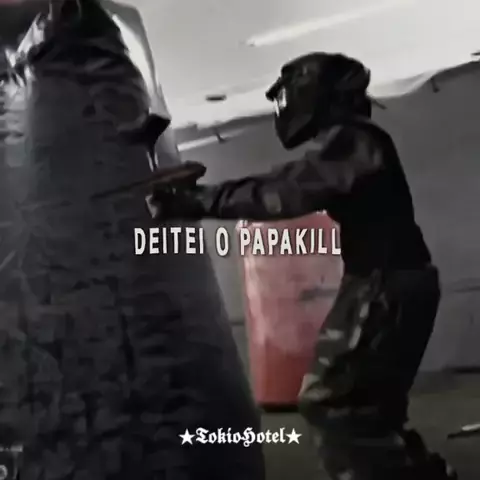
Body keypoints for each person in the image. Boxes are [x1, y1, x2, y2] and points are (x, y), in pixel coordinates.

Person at [146, 52, 457, 480]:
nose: (284, 107)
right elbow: (291, 183)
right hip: (383, 281)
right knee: (365, 407)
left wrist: (199, 200)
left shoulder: (355, 140)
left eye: (288, 96)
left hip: (385, 284)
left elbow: (289, 190)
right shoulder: (354, 140)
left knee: (335, 402)